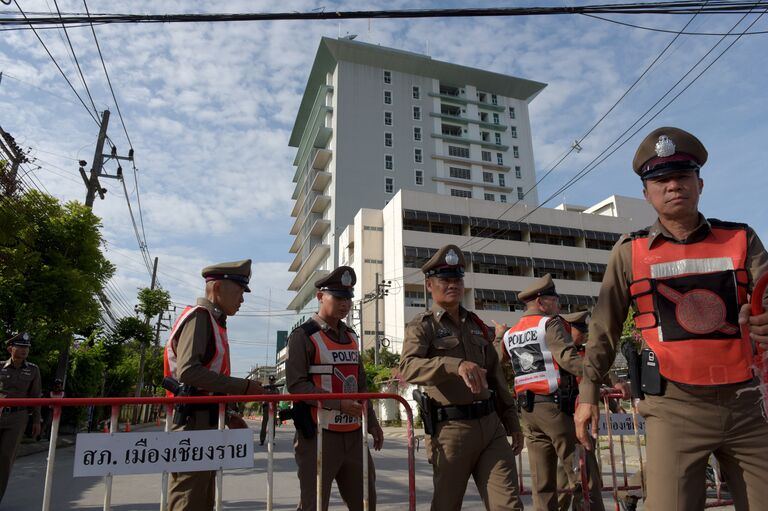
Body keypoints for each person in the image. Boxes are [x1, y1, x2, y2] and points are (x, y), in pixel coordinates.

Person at [574, 126, 768, 510]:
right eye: (661, 180)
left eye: (682, 176)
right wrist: (587, 395)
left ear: (700, 183)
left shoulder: (743, 239)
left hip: (746, 406)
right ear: (647, 194)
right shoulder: (629, 252)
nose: (673, 186)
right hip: (673, 410)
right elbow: (603, 329)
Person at [399, 244, 524, 511]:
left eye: (457, 278)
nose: (453, 284)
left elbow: (495, 377)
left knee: (509, 506)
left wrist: (512, 421)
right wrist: (454, 365)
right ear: (429, 284)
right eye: (445, 279)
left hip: (491, 429)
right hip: (451, 431)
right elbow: (408, 367)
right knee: (447, 505)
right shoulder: (423, 326)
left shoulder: (476, 325)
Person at [163, 259, 265, 511]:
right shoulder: (200, 317)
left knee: (202, 497)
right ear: (217, 287)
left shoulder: (213, 321)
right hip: (192, 424)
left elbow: (209, 378)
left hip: (206, 421)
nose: (242, 299)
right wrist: (242, 387)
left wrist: (228, 413)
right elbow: (188, 371)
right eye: (239, 291)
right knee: (189, 497)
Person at [497, 275, 604, 511]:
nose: (559, 306)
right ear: (542, 302)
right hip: (556, 410)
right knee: (583, 472)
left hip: (529, 413)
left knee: (542, 482)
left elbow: (497, 361)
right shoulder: (549, 323)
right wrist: (599, 376)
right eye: (555, 300)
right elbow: (567, 358)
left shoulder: (510, 334)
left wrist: (497, 335)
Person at [286, 266, 383, 511]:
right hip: (318, 436)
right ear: (320, 296)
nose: (345, 304)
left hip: (353, 434)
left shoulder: (351, 336)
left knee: (366, 502)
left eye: (348, 298)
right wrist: (337, 403)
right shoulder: (302, 336)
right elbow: (296, 385)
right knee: (314, 504)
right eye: (338, 297)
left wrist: (371, 421)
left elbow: (361, 383)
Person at [0, 332, 41, 503]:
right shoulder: (0, 367)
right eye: (21, 347)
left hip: (17, 418)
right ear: (11, 348)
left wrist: (36, 420)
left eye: (27, 348)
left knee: (4, 460)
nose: (24, 351)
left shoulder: (33, 370)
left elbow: (35, 396)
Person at [259, 375, 279, 446]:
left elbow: (278, 400)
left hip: (273, 408)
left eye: (273, 381)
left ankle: (271, 439)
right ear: (269, 381)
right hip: (266, 408)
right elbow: (262, 398)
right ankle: (262, 440)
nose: (272, 382)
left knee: (272, 425)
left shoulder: (276, 389)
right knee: (264, 425)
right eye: (271, 381)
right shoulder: (265, 389)